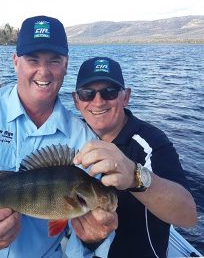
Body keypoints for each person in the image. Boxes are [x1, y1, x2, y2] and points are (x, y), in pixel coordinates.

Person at [0, 16, 117, 258]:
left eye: (54, 61)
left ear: (66, 64)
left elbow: (81, 239)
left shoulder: (83, 138)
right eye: (32, 60)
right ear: (16, 62)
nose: (44, 71)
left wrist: (92, 240)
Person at [71, 57, 197, 257]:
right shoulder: (71, 137)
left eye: (109, 92)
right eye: (87, 93)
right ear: (76, 101)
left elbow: (188, 215)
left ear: (126, 96)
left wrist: (135, 176)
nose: (98, 101)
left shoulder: (150, 142)